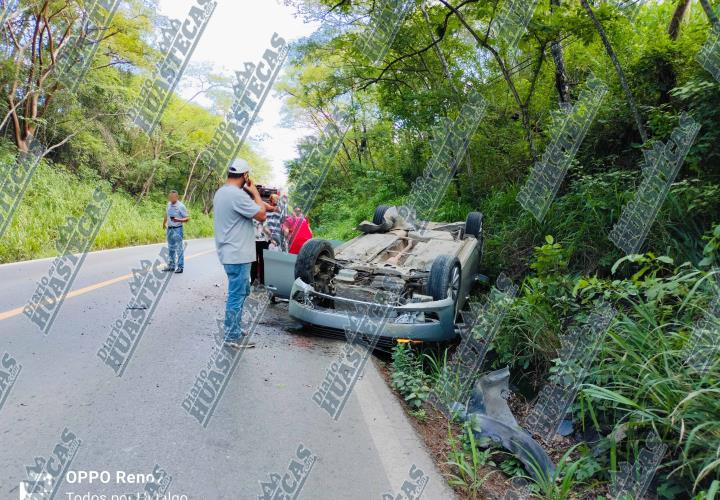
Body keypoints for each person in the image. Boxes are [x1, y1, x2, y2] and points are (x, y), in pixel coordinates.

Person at [213, 159, 271, 349]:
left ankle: (234, 327)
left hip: (231, 253)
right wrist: (254, 192)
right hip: (237, 254)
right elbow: (262, 215)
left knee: (241, 291)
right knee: (236, 295)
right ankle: (232, 335)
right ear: (245, 176)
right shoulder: (237, 195)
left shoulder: (221, 192)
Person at [162, 190, 190, 273]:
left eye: (173, 197)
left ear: (177, 197)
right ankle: (171, 266)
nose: (171, 198)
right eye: (170, 197)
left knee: (179, 248)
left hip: (177, 229)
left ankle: (180, 267)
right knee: (171, 248)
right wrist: (164, 224)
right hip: (169, 229)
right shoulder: (168, 204)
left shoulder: (181, 206)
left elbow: (187, 218)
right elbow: (166, 214)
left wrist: (178, 219)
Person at [251, 218, 270, 284]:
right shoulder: (263, 217)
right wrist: (271, 236)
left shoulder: (251, 216)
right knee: (263, 263)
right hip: (262, 242)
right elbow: (266, 229)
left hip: (254, 241)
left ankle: (253, 281)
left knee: (254, 262)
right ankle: (262, 282)